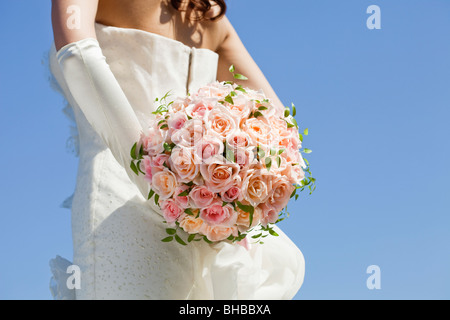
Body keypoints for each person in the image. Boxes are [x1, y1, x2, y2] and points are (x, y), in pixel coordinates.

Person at [49, 0, 305, 300]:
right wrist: (228, 193)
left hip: (118, 199)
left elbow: (78, 56)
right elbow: (275, 121)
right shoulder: (210, 16)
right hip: (208, 215)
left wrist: (152, 177)